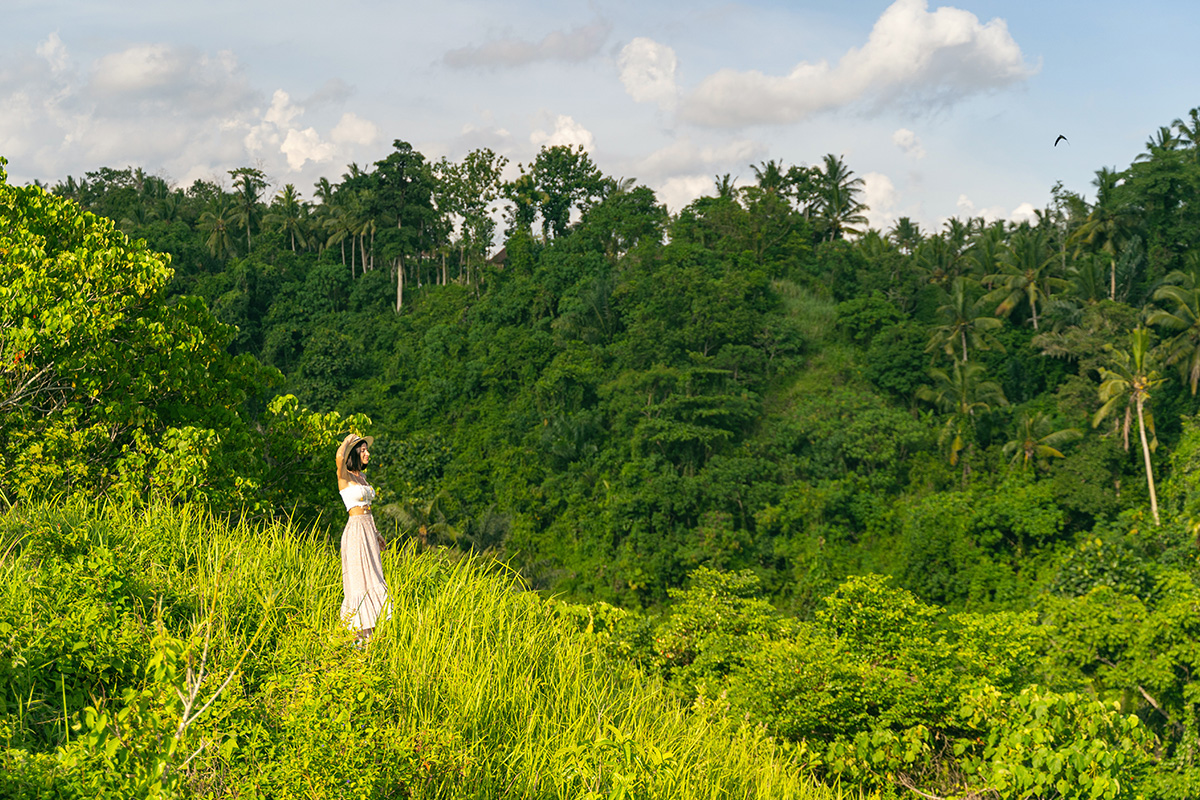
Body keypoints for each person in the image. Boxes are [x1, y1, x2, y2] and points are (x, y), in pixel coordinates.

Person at [336, 433, 391, 644]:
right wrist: (348, 441)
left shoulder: (361, 477)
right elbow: (339, 457)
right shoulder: (345, 477)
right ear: (354, 454)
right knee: (359, 583)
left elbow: (369, 510)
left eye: (367, 450)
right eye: (363, 450)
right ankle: (357, 640)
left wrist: (377, 534)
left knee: (375, 580)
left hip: (368, 532)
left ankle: (373, 638)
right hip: (355, 533)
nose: (367, 454)